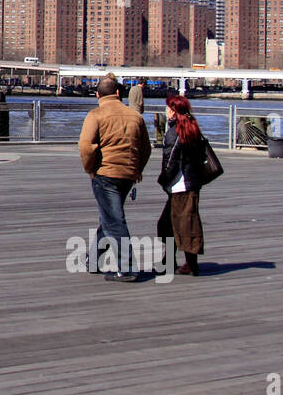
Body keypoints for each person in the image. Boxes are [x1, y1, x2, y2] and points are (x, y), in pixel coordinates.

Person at [78, 75, 152, 281]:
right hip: (128, 175)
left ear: (97, 95)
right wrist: (137, 169)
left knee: (114, 220)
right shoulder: (135, 116)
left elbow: (85, 146)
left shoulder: (95, 115)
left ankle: (126, 268)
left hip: (105, 174)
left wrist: (90, 169)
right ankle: (92, 261)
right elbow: (146, 148)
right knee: (109, 216)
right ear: (118, 93)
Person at [156, 95, 207, 275]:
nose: (165, 111)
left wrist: (163, 180)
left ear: (173, 110)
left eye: (168, 108)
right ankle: (169, 260)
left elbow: (171, 161)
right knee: (173, 223)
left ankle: (190, 265)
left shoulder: (175, 132)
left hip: (180, 185)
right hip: (191, 183)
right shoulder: (192, 127)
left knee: (183, 225)